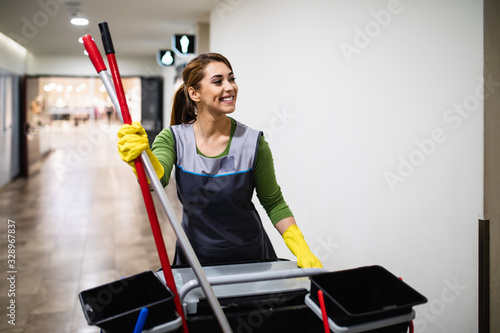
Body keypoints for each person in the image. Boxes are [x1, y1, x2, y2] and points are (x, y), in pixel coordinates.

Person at [117, 53, 322, 268]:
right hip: (196, 258)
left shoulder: (253, 143)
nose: (230, 87)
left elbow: (274, 203)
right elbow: (155, 182)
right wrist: (141, 159)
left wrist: (302, 249)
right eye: (218, 81)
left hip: (250, 257)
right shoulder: (173, 138)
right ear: (194, 93)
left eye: (231, 79)